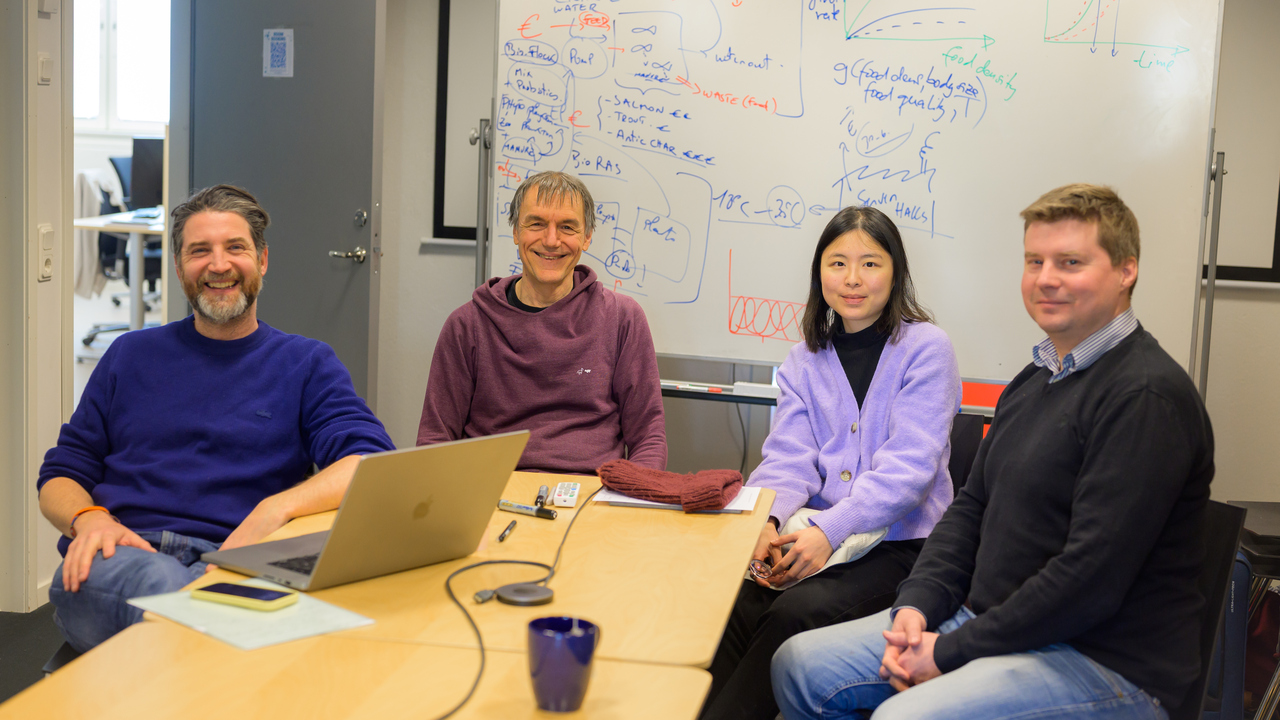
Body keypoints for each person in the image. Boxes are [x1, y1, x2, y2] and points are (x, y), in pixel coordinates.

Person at [772, 184, 1214, 720]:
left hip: (1101, 660)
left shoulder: (1144, 396)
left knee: (903, 717)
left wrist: (952, 650)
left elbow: (1087, 580)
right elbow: (969, 510)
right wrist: (916, 607)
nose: (1047, 278)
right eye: (1035, 261)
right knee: (798, 665)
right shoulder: (1035, 380)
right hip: (986, 620)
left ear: (1126, 271)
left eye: (1070, 262)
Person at [38, 184, 395, 652]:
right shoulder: (130, 354)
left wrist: (276, 508)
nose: (219, 265)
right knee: (187, 599)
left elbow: (367, 462)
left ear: (262, 261)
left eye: (236, 248)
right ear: (180, 266)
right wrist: (88, 518)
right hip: (124, 555)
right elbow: (61, 473)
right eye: (199, 251)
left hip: (242, 556)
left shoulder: (305, 363)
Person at [700, 206, 961, 720]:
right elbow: (788, 459)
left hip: (901, 547)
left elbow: (909, 471)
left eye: (870, 263)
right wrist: (766, 520)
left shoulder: (927, 349)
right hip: (815, 537)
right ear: (820, 274)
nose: (853, 279)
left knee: (791, 615)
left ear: (896, 272)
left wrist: (830, 530)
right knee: (735, 601)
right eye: (838, 263)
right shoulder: (803, 358)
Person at [417, 171, 666, 473]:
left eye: (567, 227)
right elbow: (435, 441)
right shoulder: (467, 325)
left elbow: (649, 438)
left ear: (587, 237)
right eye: (536, 224)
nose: (551, 240)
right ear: (515, 232)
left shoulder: (622, 318)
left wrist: (630, 499)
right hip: (492, 493)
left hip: (591, 496)